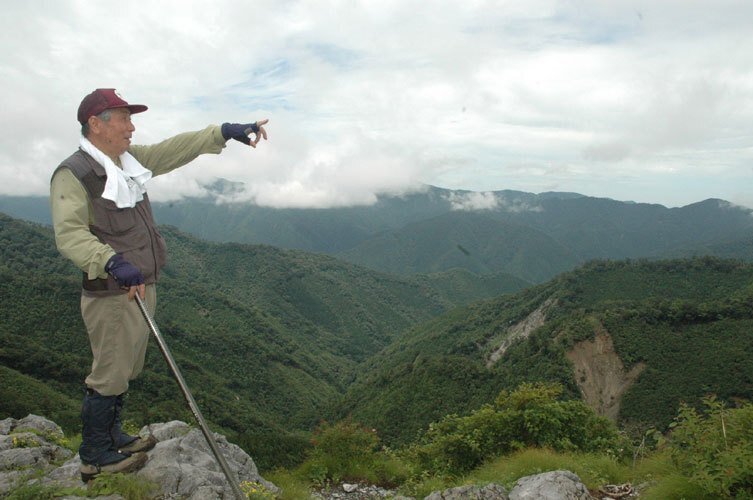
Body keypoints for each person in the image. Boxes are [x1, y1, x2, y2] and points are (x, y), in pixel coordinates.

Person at [49, 88, 268, 482]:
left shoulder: (126, 163)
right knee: (109, 371)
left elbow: (174, 149)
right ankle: (95, 453)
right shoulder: (76, 173)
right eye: (123, 119)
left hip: (140, 285)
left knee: (127, 367)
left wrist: (221, 132)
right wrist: (110, 260)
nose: (132, 127)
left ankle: (113, 434)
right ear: (96, 125)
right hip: (112, 291)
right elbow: (69, 235)